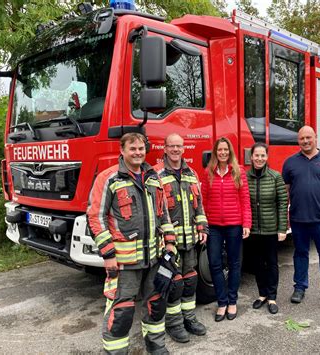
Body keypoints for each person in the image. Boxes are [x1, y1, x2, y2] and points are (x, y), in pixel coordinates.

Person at [87, 132, 176, 355]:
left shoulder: (153, 177)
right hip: (124, 263)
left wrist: (170, 243)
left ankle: (156, 346)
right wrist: (108, 254)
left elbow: (163, 213)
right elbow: (95, 217)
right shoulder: (109, 178)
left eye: (141, 149)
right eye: (132, 149)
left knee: (155, 305)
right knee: (122, 312)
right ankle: (116, 352)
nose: (138, 153)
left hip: (154, 259)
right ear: (122, 150)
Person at [282, 126, 320, 307]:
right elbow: (285, 191)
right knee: (300, 254)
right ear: (298, 141)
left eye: (309, 137)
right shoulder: (290, 163)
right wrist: (284, 214)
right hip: (298, 220)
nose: (305, 141)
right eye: (302, 138)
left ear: (316, 138)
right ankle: (300, 288)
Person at [154, 133, 208, 343]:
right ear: (165, 148)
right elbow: (155, 211)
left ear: (183, 148)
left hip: (191, 240)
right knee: (174, 283)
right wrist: (164, 239)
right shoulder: (156, 175)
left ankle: (190, 318)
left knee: (190, 280)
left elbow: (199, 204)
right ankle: (174, 324)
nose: (176, 150)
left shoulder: (191, 173)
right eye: (172, 146)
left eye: (179, 146)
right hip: (170, 243)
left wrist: (202, 227)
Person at [201, 137, 252, 321]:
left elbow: (245, 200)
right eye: (219, 150)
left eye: (226, 150)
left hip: (234, 226)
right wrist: (203, 225)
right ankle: (221, 302)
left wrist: (246, 223)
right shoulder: (209, 173)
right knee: (214, 263)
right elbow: (203, 201)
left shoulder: (238, 173)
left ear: (230, 152)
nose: (223, 153)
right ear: (215, 153)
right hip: (214, 226)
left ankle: (232, 301)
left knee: (234, 264)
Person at [246, 143, 288, 315]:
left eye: (263, 155)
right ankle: (262, 294)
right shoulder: (244, 177)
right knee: (257, 264)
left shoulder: (275, 176)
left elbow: (282, 203)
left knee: (271, 263)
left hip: (271, 229)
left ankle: (272, 297)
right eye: (256, 155)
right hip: (253, 229)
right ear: (251, 157)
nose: (259, 158)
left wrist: (282, 228)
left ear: (267, 157)